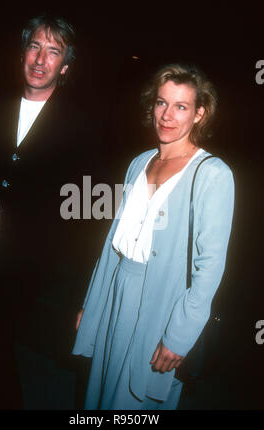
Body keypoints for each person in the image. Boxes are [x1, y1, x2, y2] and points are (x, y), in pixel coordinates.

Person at [72, 63, 235, 410]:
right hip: (116, 289)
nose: (167, 115)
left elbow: (210, 268)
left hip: (161, 302)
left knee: (136, 401)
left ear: (199, 114)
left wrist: (180, 336)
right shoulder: (140, 161)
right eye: (162, 103)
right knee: (101, 395)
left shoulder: (213, 174)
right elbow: (112, 244)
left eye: (181, 106)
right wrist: (92, 302)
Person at [0, 13, 101, 409]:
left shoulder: (82, 128)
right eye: (34, 47)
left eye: (53, 51)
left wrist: (84, 296)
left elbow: (86, 215)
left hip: (28, 261)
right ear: (22, 53)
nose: (40, 59)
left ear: (66, 66)